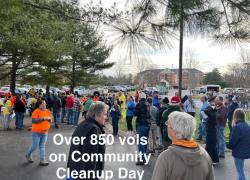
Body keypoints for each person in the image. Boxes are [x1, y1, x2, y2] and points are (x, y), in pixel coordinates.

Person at [151, 111, 215, 180]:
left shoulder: (166, 157)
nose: (166, 127)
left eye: (168, 125)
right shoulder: (205, 155)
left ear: (174, 131)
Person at [67, 102, 109, 179]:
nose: (106, 117)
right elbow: (89, 160)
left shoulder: (83, 125)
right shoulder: (93, 130)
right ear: (97, 115)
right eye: (105, 114)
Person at [26, 100, 52, 166]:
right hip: (36, 132)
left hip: (45, 132)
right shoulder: (36, 111)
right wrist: (44, 118)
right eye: (43, 104)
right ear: (40, 105)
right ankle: (28, 155)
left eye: (45, 104)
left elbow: (50, 120)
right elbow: (34, 121)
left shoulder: (48, 111)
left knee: (42, 146)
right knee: (35, 146)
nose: (45, 105)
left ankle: (42, 160)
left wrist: (50, 120)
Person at [227, 109, 250, 180]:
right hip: (245, 151)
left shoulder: (237, 127)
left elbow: (233, 142)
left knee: (240, 172)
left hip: (238, 152)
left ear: (235, 116)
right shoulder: (247, 126)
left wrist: (227, 145)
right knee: (240, 171)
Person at [134, 92, 151, 165]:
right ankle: (144, 155)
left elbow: (135, 113)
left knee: (140, 142)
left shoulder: (139, 104)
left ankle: (142, 158)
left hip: (141, 124)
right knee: (144, 141)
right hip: (147, 124)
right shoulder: (148, 104)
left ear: (140, 97)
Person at [204, 96, 219, 164]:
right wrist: (212, 107)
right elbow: (206, 111)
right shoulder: (212, 110)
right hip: (211, 129)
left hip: (212, 129)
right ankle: (212, 159)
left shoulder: (213, 110)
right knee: (211, 145)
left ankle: (212, 159)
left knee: (211, 145)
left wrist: (212, 108)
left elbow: (206, 111)